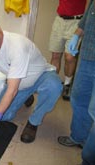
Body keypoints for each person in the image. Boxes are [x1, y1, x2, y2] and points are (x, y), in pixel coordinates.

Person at [0, 17, 63, 143]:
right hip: (19, 85)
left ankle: (33, 122)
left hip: (41, 75)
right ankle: (27, 96)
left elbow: (11, 89)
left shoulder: (16, 46)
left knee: (54, 86)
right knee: (1, 115)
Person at [57, 0, 95, 164]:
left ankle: (88, 157)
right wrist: (76, 35)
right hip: (88, 55)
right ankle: (79, 137)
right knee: (79, 98)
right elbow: (86, 18)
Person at [48, 0, 87, 101]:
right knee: (55, 55)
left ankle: (67, 85)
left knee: (69, 57)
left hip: (76, 22)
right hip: (60, 20)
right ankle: (52, 83)